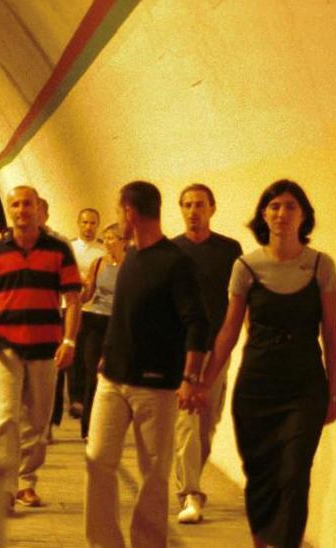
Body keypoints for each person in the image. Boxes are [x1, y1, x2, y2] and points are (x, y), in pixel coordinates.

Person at [191, 179, 336, 548]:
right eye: (273, 206)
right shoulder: (246, 265)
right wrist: (205, 383)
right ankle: (260, 542)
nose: (281, 214)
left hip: (305, 385)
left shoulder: (320, 265)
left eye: (290, 206)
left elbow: (331, 333)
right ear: (263, 215)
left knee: (293, 474)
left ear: (303, 215)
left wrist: (333, 391)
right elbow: (228, 330)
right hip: (257, 384)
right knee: (259, 473)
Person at [84, 181, 209, 548]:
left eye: (118, 210)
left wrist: (189, 377)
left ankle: (148, 543)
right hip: (113, 380)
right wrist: (108, 352)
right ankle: (105, 542)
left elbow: (197, 322)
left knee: (153, 473)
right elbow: (124, 314)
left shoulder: (175, 263)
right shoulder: (131, 257)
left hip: (155, 385)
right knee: (97, 460)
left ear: (130, 213)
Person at [0, 186, 81, 511]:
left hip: (46, 345)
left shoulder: (59, 251)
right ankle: (2, 487)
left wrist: (69, 340)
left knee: (38, 417)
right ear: (9, 210)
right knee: (4, 415)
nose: (22, 210)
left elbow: (72, 300)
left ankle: (26, 481)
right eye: (16, 204)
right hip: (5, 344)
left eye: (27, 204)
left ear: (38, 208)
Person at [170, 183, 244, 524]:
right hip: (182, 351)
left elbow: (237, 301)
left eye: (199, 204)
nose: (192, 210)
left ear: (212, 209)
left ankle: (189, 484)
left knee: (207, 424)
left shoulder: (229, 250)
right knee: (186, 421)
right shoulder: (170, 251)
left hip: (217, 351)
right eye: (186, 204)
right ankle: (190, 493)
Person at [77, 224, 125, 439]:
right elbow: (87, 295)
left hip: (116, 323)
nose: (106, 242)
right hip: (94, 320)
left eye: (111, 238)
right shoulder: (98, 264)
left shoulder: (129, 265)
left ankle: (109, 427)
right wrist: (81, 289)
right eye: (104, 238)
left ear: (122, 241)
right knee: (92, 373)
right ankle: (88, 428)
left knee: (112, 376)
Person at [68, 208, 105, 419]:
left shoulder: (101, 250)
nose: (89, 227)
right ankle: (75, 397)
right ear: (79, 223)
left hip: (94, 309)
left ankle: (86, 399)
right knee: (73, 351)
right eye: (85, 222)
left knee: (89, 356)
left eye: (93, 223)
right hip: (72, 306)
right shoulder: (70, 248)